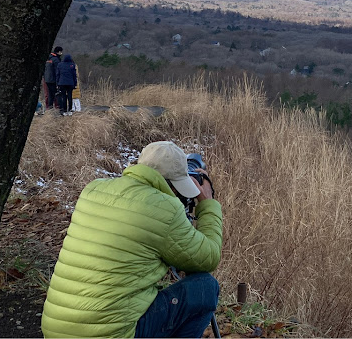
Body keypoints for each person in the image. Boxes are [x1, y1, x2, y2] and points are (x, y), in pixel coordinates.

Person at [41, 141, 223, 338]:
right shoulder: (164, 209)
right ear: (171, 184)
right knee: (205, 287)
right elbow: (208, 258)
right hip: (112, 335)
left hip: (56, 330)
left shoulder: (93, 190)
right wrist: (208, 204)